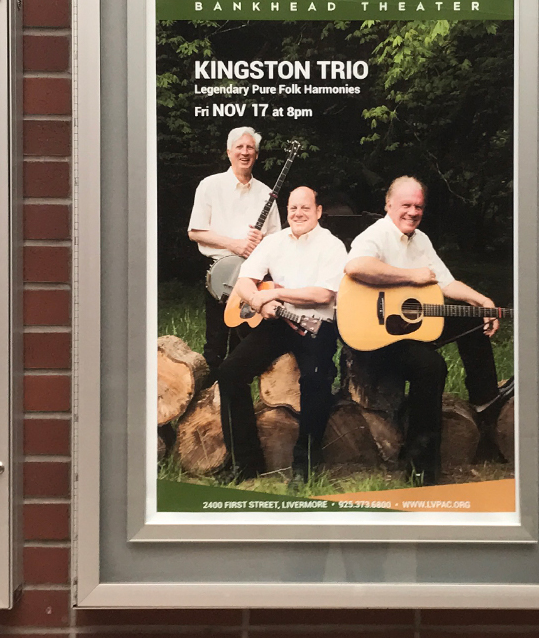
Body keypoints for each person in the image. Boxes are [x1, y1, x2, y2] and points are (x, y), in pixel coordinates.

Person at [343, 176, 501, 486]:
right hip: (375, 337)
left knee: (473, 320)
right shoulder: (375, 235)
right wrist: (410, 276)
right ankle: (420, 468)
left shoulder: (421, 240)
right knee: (430, 366)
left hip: (411, 329)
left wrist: (482, 301)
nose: (413, 212)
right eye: (406, 205)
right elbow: (356, 267)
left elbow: (446, 282)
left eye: (419, 206)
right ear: (389, 205)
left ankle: (486, 409)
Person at [214, 187, 346, 483]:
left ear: (319, 211)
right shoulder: (274, 241)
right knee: (230, 372)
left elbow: (323, 293)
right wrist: (261, 301)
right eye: (293, 208)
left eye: (305, 208)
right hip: (275, 323)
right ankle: (246, 462)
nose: (298, 214)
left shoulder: (332, 246)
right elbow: (245, 280)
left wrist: (277, 294)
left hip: (317, 324)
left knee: (315, 379)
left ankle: (305, 464)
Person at [187, 127, 283, 371]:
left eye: (250, 148)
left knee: (244, 345)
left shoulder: (266, 194)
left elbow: (278, 243)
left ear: (257, 155)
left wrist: (261, 241)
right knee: (215, 346)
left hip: (252, 278)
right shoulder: (210, 185)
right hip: (219, 275)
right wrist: (236, 244)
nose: (244, 152)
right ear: (229, 152)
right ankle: (211, 402)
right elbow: (194, 231)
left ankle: (238, 397)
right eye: (239, 147)